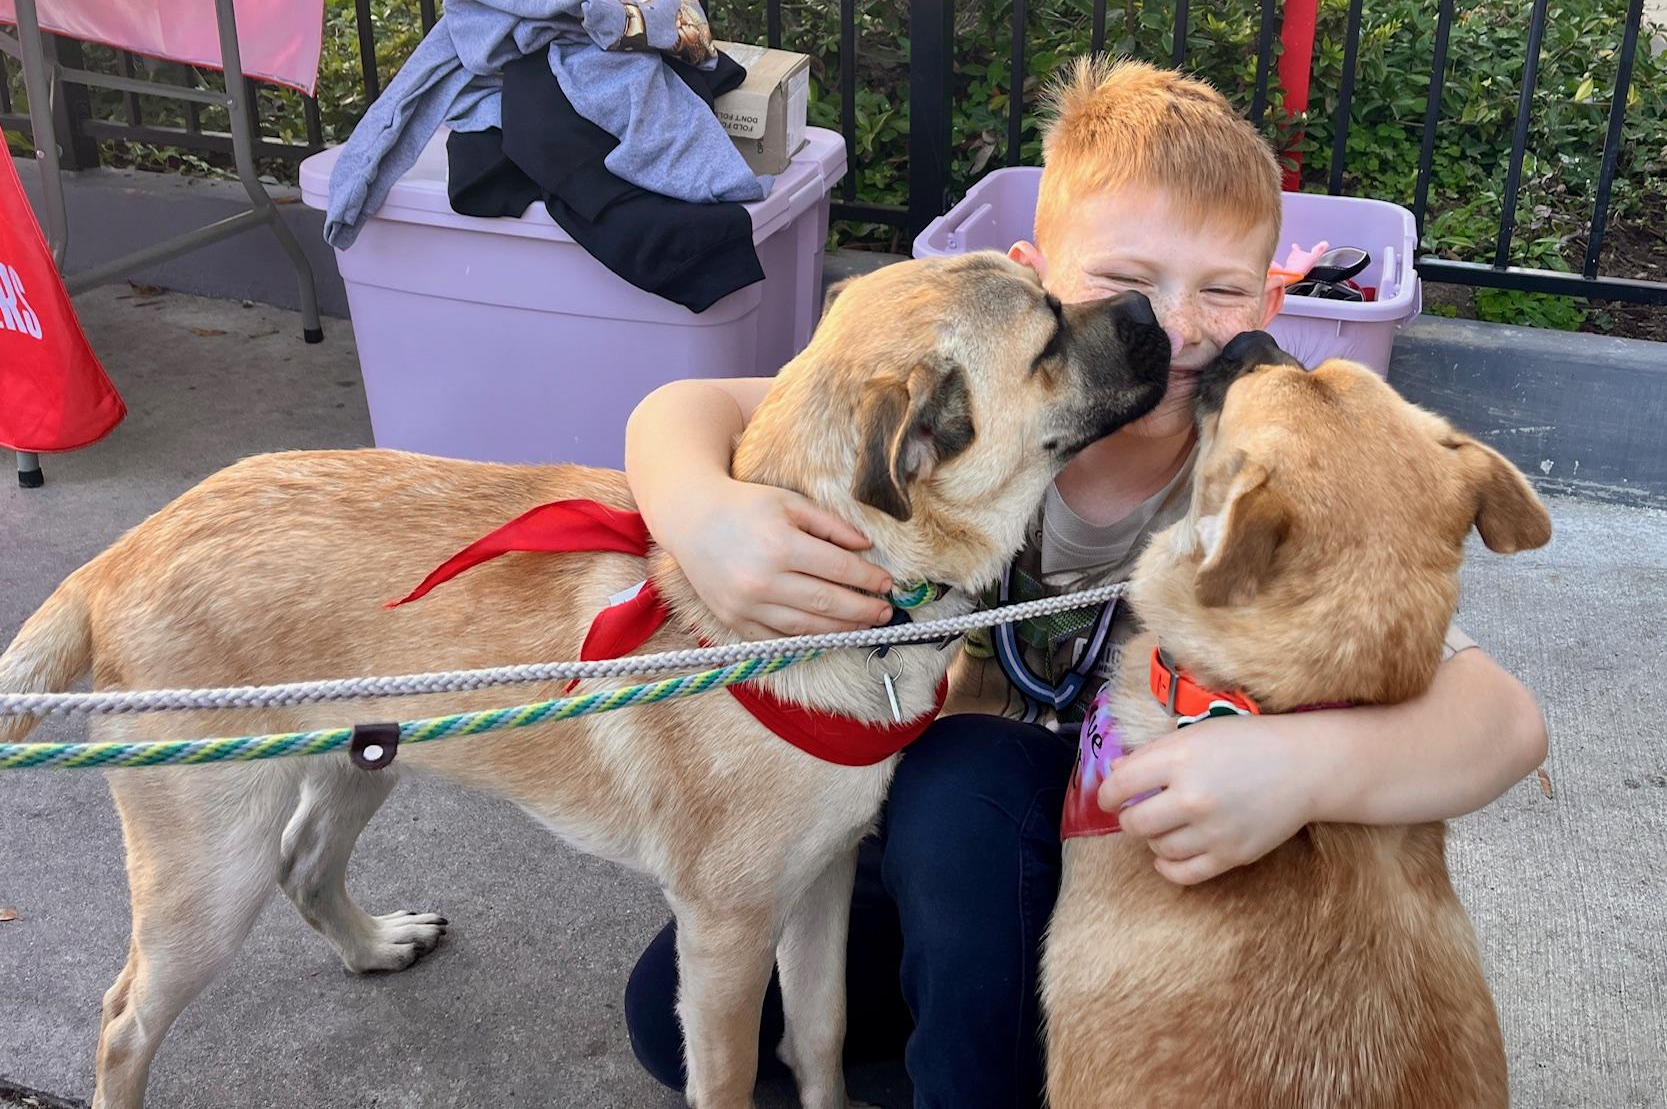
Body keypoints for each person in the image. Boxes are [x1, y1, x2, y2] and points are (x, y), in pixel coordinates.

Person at [618, 57, 1548, 1108]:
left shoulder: (1262, 475)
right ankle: (998, 1041)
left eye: (1221, 290)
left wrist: (1297, 769)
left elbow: (1502, 723)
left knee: (958, 779)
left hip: (1141, 853)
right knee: (669, 1019)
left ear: (1271, 297)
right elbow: (689, 405)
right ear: (1031, 279)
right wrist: (701, 513)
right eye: (1125, 282)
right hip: (951, 867)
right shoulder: (958, 400)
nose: (1176, 324)